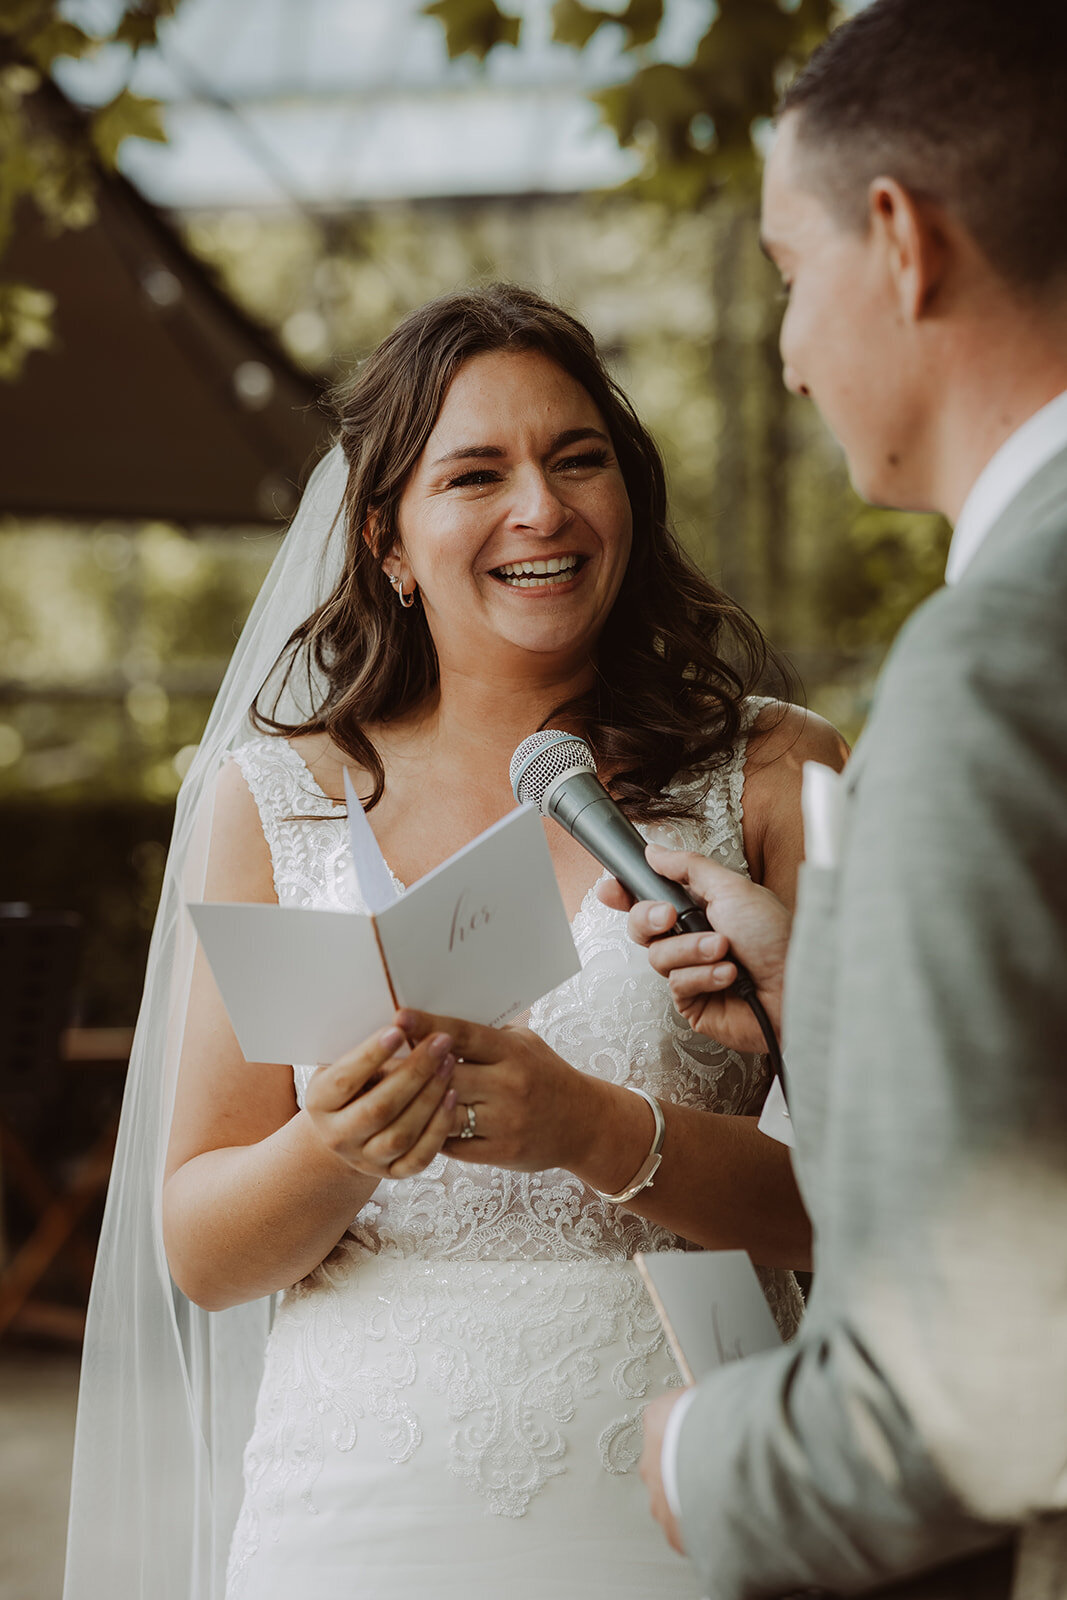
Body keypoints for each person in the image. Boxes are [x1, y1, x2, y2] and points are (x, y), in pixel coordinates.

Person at [63, 284, 844, 1600]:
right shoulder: (277, 802)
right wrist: (334, 1146)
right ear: (388, 542)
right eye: (476, 473)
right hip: (358, 1508)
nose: (541, 508)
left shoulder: (769, 775)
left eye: (578, 458)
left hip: (678, 1493)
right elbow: (199, 1252)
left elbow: (867, 1201)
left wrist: (597, 1130)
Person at [611, 2, 1067, 1596]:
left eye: (791, 276)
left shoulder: (1000, 666)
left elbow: (979, 1391)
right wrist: (827, 984)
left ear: (902, 241)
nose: (790, 355)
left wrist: (700, 1458)